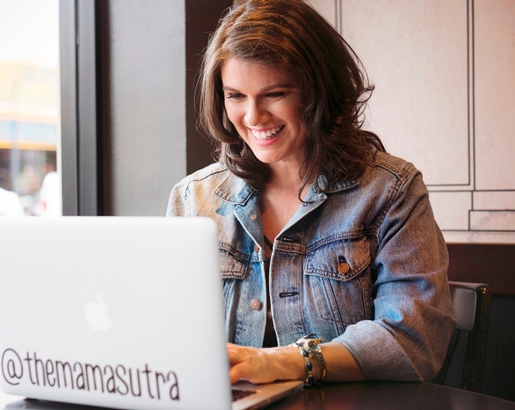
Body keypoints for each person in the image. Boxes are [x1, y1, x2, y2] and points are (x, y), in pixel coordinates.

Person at [166, 0, 456, 386]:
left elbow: (414, 341)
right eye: (235, 96)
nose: (253, 117)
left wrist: (282, 362)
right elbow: (168, 330)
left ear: (318, 92)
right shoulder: (193, 197)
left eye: (274, 94)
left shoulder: (390, 191)